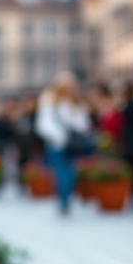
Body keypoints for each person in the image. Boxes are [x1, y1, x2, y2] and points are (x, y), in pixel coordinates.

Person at [35, 72, 92, 215]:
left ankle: (64, 202)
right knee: (67, 173)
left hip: (59, 144)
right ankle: (65, 201)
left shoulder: (53, 100)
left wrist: (61, 136)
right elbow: (83, 125)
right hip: (62, 143)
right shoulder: (67, 101)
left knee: (63, 174)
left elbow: (43, 124)